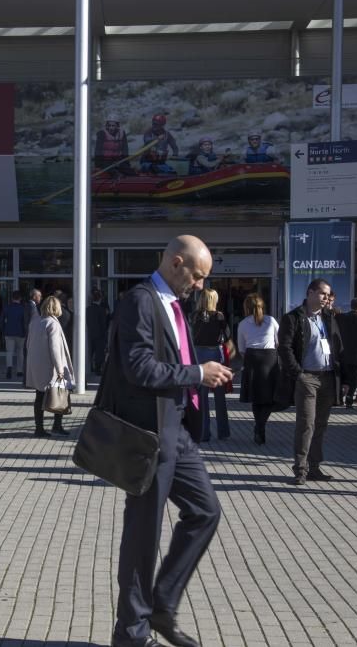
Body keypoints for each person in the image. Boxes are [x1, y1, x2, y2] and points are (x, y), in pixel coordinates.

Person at [108, 235, 232, 647]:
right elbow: (138, 369)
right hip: (148, 435)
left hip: (177, 431)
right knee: (143, 535)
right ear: (176, 263)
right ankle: (132, 632)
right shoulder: (140, 301)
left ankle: (161, 605)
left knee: (205, 511)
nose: (199, 286)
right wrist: (198, 373)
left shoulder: (175, 304)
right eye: (197, 277)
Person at [278, 278, 343, 486]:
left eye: (328, 294)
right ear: (310, 293)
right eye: (323, 293)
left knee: (320, 425)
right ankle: (300, 469)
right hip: (307, 377)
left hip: (327, 377)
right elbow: (285, 348)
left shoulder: (329, 318)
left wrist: (344, 376)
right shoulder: (293, 318)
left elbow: (338, 346)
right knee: (306, 423)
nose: (326, 298)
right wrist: (298, 373)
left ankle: (315, 467)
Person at [25, 295, 74, 438]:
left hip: (36, 364)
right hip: (50, 365)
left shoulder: (35, 321)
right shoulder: (52, 323)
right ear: (56, 307)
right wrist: (60, 369)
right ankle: (56, 426)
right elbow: (55, 348)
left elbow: (28, 343)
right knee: (61, 393)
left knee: (39, 396)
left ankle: (39, 428)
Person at [237, 293, 280, 445]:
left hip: (252, 357)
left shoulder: (242, 323)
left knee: (256, 397)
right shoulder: (271, 320)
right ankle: (260, 425)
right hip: (269, 357)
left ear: (246, 307)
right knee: (269, 397)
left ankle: (259, 426)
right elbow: (278, 340)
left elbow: (241, 348)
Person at [189, 287, 231, 442]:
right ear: (214, 300)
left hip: (199, 354)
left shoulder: (194, 316)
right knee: (219, 397)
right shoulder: (219, 316)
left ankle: (204, 433)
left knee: (202, 396)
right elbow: (227, 336)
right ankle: (223, 432)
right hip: (214, 354)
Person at [335, 298, 357, 409]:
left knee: (340, 376)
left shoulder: (340, 318)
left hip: (341, 353)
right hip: (356, 355)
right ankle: (349, 400)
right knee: (353, 379)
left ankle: (339, 398)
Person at [0, 291, 27, 380]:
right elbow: (24, 322)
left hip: (9, 332)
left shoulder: (7, 308)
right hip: (20, 333)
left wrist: (3, 331)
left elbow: (2, 320)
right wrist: (25, 332)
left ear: (12, 298)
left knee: (9, 352)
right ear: (20, 298)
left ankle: (9, 368)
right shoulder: (23, 308)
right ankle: (19, 371)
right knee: (20, 352)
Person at [85, 288, 111, 374]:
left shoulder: (88, 309)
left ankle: (88, 368)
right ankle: (97, 369)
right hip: (100, 335)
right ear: (100, 299)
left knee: (90, 352)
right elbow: (103, 324)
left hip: (90, 334)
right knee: (99, 353)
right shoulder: (101, 310)